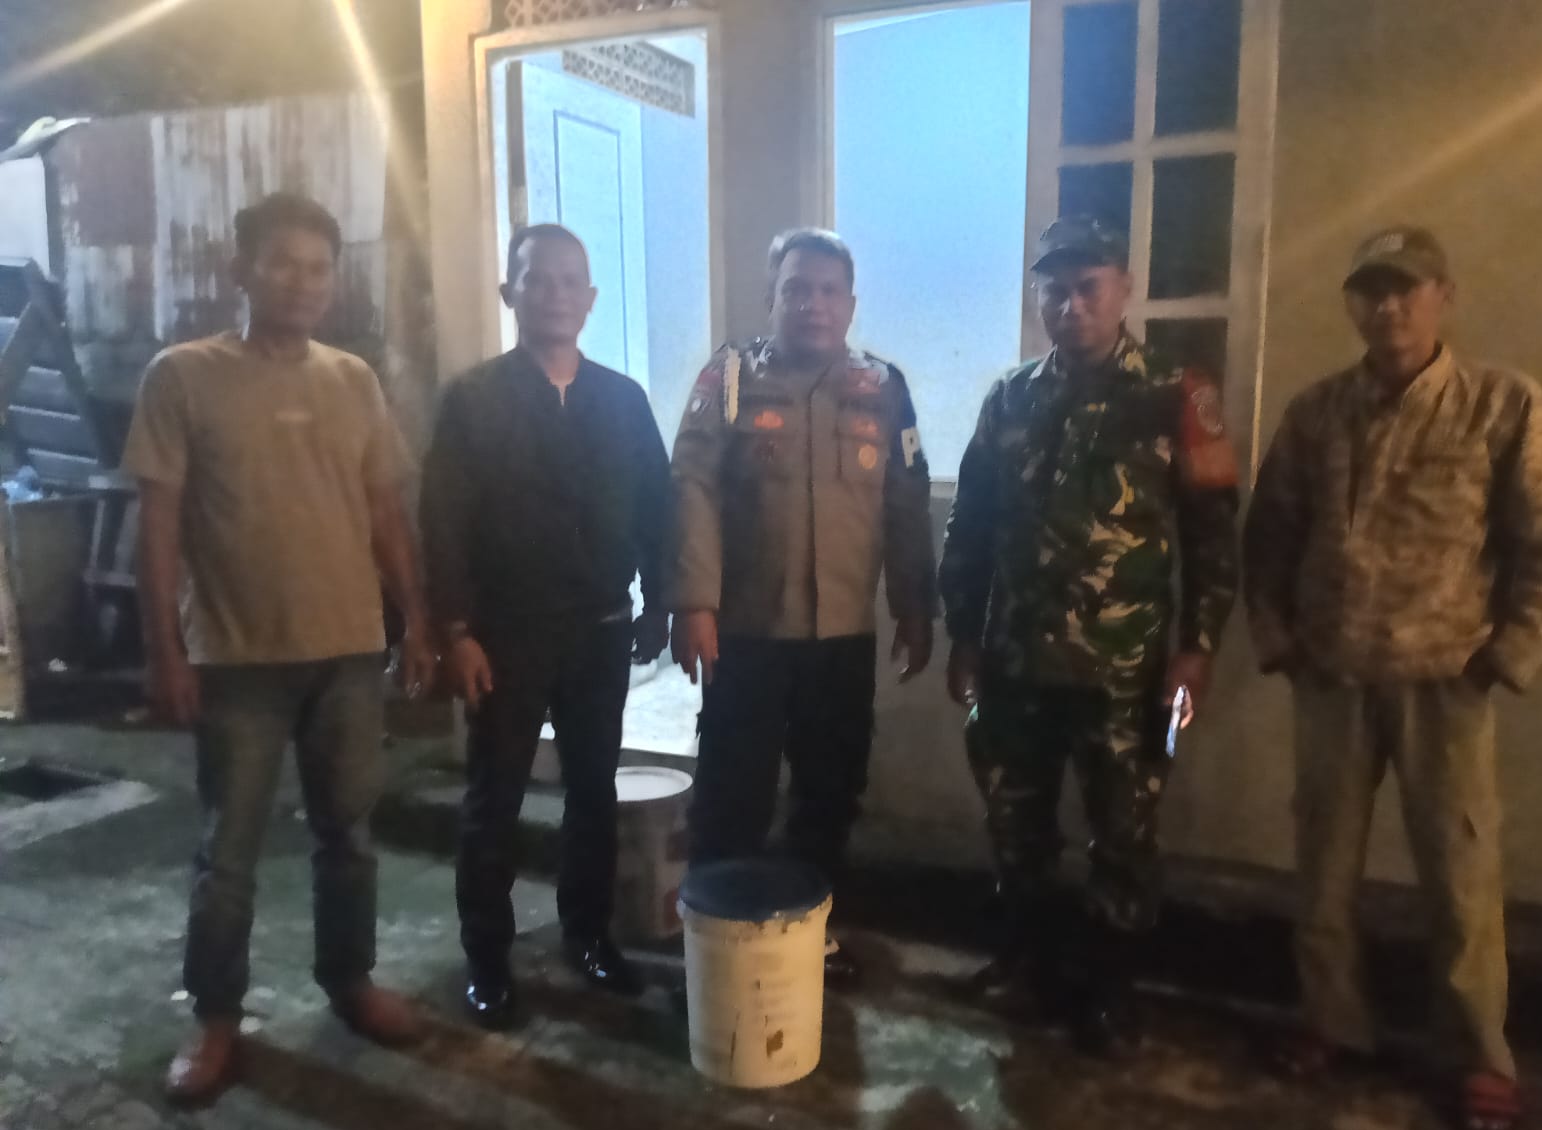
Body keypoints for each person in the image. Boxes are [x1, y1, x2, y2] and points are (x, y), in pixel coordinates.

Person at [1242, 226, 1542, 1130]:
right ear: (1352, 304)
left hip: (1445, 679)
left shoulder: (1500, 405)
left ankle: (1477, 1055)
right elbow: (1269, 536)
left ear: (1444, 296)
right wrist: (1280, 641)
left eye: (1407, 289)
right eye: (1371, 291)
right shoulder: (1317, 413)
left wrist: (1505, 657)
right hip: (1333, 676)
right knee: (1322, 868)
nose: (1387, 307)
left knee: (1461, 875)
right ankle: (1332, 1021)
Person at [128, 192, 435, 1105]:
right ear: (242, 271)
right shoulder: (183, 377)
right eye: (282, 263)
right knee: (229, 852)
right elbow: (159, 526)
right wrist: (164, 651)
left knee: (349, 836)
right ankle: (216, 1019)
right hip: (236, 660)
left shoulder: (353, 381)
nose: (302, 282)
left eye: (318, 267)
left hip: (346, 654)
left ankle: (350, 980)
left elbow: (384, 512)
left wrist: (415, 619)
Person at [940, 216, 1239, 1055]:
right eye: (1054, 292)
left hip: (1127, 670)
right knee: (1015, 823)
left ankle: (1111, 989)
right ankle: (1028, 964)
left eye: (1087, 289)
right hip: (1016, 662)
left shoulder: (1177, 393)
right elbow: (971, 525)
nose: (1070, 306)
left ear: (1123, 290)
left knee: (1125, 832)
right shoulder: (1010, 397)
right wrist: (964, 633)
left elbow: (1213, 537)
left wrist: (1197, 647)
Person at [667, 227, 936, 985]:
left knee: (830, 791)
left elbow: (907, 500)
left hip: (841, 637)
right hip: (746, 632)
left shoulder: (884, 387)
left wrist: (915, 606)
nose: (812, 304)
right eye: (796, 289)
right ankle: (719, 945)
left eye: (827, 291)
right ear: (771, 296)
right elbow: (691, 484)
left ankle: (808, 934)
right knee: (734, 793)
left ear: (850, 303)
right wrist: (694, 601)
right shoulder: (727, 375)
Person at [421, 224, 671, 1028]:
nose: (556, 293)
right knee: (494, 797)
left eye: (571, 281)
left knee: (593, 790)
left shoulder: (623, 401)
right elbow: (443, 523)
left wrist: (661, 601)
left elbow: (657, 507)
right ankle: (487, 958)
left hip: (601, 629)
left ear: (591, 299)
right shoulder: (473, 400)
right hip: (506, 636)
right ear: (511, 293)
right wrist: (455, 630)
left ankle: (588, 935)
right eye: (538, 279)